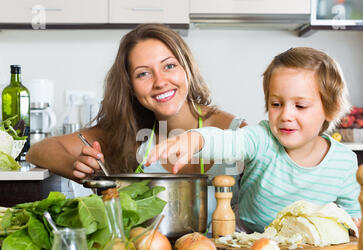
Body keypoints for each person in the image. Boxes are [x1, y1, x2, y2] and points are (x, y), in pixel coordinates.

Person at [26, 23, 247, 220]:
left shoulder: (234, 131)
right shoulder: (130, 132)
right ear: (130, 86)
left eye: (169, 66)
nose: (160, 81)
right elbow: (37, 151)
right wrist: (76, 167)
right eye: (143, 74)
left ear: (187, 68)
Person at [146, 47, 362, 232]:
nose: (286, 115)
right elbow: (227, 142)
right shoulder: (262, 138)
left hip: (306, 248)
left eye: (300, 106)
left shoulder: (344, 163)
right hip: (247, 235)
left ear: (331, 110)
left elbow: (353, 217)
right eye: (276, 104)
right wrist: (195, 140)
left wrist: (355, 226)